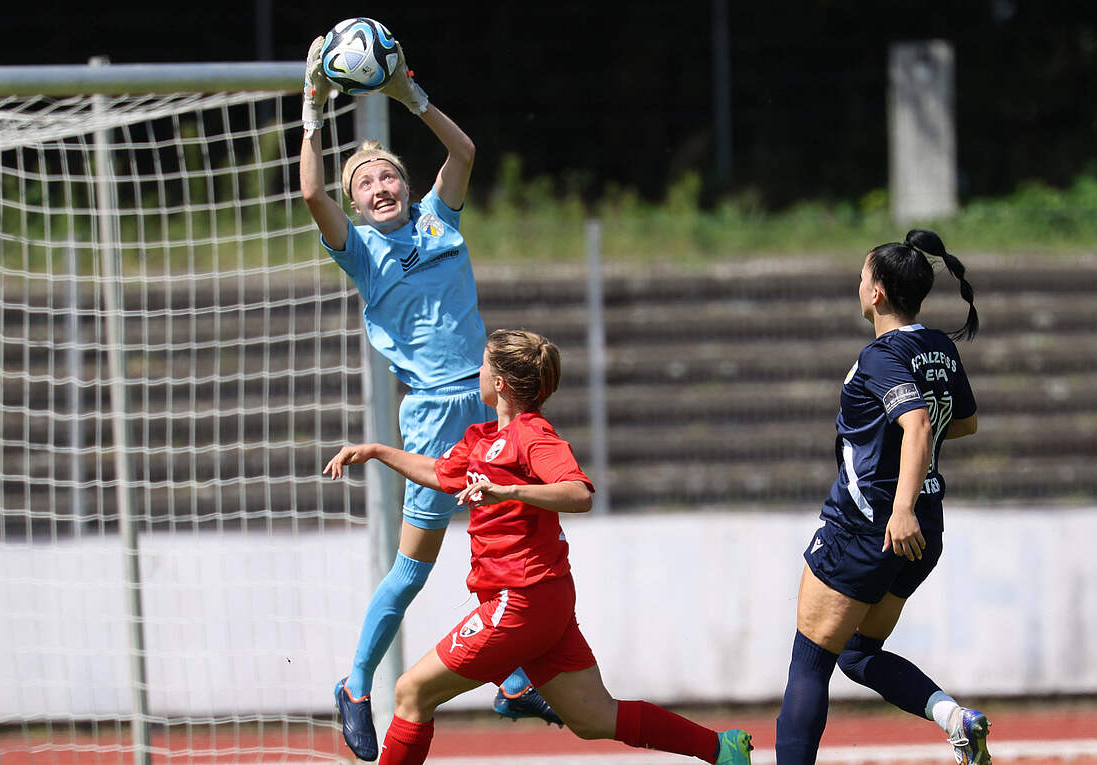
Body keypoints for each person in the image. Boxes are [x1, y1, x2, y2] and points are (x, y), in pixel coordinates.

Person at [298, 35, 559, 762]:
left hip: (490, 404)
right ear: (355, 205)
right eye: (366, 185)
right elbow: (311, 192)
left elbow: (466, 149)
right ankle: (355, 686)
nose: (380, 187)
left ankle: (508, 679)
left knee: (501, 542)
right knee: (413, 568)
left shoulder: (441, 218)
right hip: (435, 415)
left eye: (387, 177)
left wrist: (408, 94)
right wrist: (313, 107)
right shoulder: (359, 251)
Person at [323, 329, 755, 765]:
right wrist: (377, 451)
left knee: (411, 691)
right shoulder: (481, 438)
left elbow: (578, 493)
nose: (477, 371)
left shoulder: (532, 435)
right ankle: (721, 749)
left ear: (499, 384)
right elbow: (440, 474)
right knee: (594, 718)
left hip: (521, 600)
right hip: (542, 601)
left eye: (484, 365)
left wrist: (510, 492)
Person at [774, 230, 990, 765]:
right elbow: (962, 422)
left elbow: (917, 424)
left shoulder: (880, 356)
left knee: (810, 663)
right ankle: (953, 718)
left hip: (869, 526)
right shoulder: (938, 346)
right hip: (925, 527)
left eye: (863, 275)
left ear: (878, 293)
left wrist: (897, 506)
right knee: (857, 651)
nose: (858, 281)